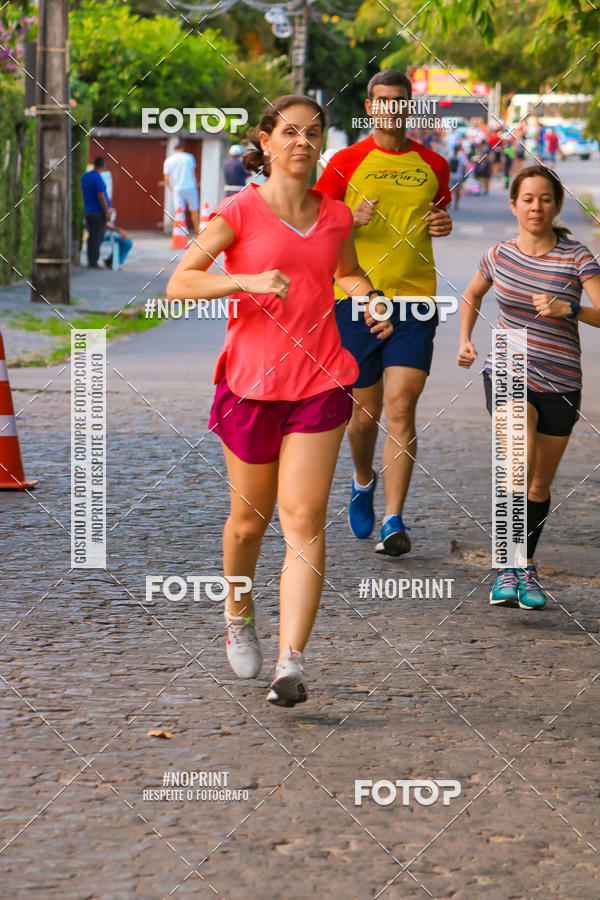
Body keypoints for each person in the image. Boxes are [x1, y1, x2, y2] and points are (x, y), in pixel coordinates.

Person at [166, 95, 392, 707]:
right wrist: (246, 280)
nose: (302, 142)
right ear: (265, 141)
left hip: (320, 380)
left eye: (313, 132)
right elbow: (181, 282)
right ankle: (238, 613)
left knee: (304, 518)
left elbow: (346, 272)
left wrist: (369, 297)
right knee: (250, 522)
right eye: (289, 132)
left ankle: (291, 662)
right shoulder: (240, 210)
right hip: (251, 386)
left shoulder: (336, 215)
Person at [315, 69, 452, 557]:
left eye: (400, 100)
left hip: (415, 300)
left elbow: (437, 215)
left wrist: (443, 222)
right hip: (356, 299)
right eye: (383, 101)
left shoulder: (434, 164)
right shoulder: (345, 162)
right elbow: (313, 227)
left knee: (401, 406)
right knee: (363, 414)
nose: (392, 108)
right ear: (371, 107)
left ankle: (394, 520)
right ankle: (362, 478)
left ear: (409, 106)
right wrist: (346, 220)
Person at [457, 165, 600, 609]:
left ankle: (524, 565)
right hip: (508, 366)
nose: (536, 207)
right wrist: (465, 339)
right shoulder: (498, 255)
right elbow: (472, 294)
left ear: (556, 206)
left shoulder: (577, 257)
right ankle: (509, 566)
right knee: (518, 462)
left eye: (545, 199)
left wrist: (568, 308)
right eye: (527, 199)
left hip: (561, 380)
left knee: (537, 486)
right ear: (514, 205)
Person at [163, 138, 199, 233]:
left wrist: (171, 189)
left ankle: (181, 232)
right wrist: (195, 185)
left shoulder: (168, 160)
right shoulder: (189, 157)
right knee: (194, 209)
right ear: (182, 149)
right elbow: (193, 174)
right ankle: (197, 230)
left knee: (179, 211)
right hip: (190, 186)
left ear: (174, 150)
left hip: (177, 188)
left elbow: (166, 178)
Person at [81, 156, 110, 269]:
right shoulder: (97, 178)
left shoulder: (85, 177)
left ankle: (91, 260)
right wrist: (106, 211)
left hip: (88, 210)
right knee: (98, 236)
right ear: (104, 165)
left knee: (92, 236)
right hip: (97, 212)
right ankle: (94, 262)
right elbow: (101, 195)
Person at [448, 140, 469, 210]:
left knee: (451, 190)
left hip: (452, 175)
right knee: (456, 190)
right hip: (457, 176)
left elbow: (447, 164)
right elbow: (464, 166)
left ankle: (451, 203)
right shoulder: (461, 155)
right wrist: (464, 174)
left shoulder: (451, 154)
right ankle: (455, 204)